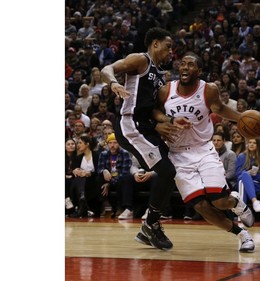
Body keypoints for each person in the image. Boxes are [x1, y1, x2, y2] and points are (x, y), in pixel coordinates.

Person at [155, 53, 256, 252]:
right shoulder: (166, 90)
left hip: (203, 150)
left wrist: (242, 118)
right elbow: (155, 112)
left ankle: (236, 203)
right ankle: (242, 235)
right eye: (182, 64)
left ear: (199, 71)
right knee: (201, 207)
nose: (184, 67)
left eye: (190, 65)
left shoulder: (208, 89)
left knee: (219, 201)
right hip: (177, 155)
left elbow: (220, 108)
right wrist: (163, 122)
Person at [101, 27, 186, 251]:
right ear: (155, 44)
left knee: (170, 169)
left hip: (146, 126)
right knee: (167, 171)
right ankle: (151, 224)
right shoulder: (140, 59)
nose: (171, 52)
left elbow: (153, 108)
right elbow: (107, 68)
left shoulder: (160, 74)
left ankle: (151, 224)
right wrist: (113, 83)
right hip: (130, 124)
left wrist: (163, 121)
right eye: (168, 47)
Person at [97, 133, 135, 219]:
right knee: (98, 178)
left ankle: (120, 207)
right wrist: (104, 171)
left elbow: (124, 172)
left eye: (115, 143)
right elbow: (99, 169)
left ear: (119, 144)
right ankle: (101, 206)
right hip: (108, 179)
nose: (112, 145)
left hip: (119, 179)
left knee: (124, 179)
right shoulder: (103, 154)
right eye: (110, 143)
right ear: (107, 144)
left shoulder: (124, 154)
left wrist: (109, 183)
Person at [70, 134, 101, 217]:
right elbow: (73, 169)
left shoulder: (97, 155)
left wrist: (89, 173)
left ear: (87, 144)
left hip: (93, 181)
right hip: (81, 182)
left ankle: (82, 200)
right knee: (79, 178)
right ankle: (82, 197)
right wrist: (75, 171)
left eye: (80, 143)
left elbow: (100, 171)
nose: (78, 145)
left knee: (84, 179)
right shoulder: (78, 158)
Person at [236, 138, 260, 212]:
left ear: (259, 145)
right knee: (244, 176)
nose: (251, 144)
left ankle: (242, 212)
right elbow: (237, 174)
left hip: (256, 183)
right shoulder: (241, 156)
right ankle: (254, 201)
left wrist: (254, 175)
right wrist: (248, 174)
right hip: (241, 181)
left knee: (243, 182)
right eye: (249, 142)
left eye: (254, 143)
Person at [65, 138, 77, 215]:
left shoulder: (78, 156)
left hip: (74, 178)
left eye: (72, 144)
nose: (71, 146)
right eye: (68, 144)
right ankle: (67, 200)